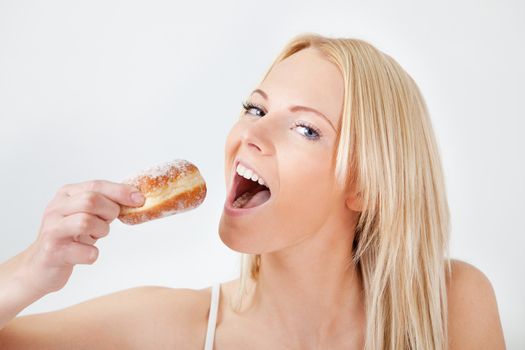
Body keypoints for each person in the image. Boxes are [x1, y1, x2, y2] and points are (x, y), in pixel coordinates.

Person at [0, 33, 505, 349]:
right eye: (255, 109)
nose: (250, 135)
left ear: (366, 184)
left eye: (306, 128)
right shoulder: (171, 327)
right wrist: (27, 273)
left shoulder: (451, 305)